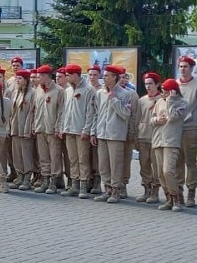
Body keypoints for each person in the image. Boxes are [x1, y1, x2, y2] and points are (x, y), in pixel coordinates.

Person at [90, 65, 132, 204]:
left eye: (107, 75)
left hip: (116, 134)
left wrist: (114, 100)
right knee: (103, 164)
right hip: (101, 133)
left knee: (116, 164)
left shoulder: (125, 94)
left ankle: (116, 191)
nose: (104, 78)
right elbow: (96, 113)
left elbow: (126, 114)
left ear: (115, 77)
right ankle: (106, 189)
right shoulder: (100, 93)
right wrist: (93, 132)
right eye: (104, 75)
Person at [59, 64, 96, 199]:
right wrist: (63, 127)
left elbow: (90, 112)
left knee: (83, 159)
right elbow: (64, 111)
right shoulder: (68, 90)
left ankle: (84, 186)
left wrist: (86, 130)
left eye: (68, 75)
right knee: (72, 159)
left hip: (81, 131)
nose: (67, 77)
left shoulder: (88, 90)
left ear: (75, 75)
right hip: (69, 130)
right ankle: (74, 185)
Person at [177, 56, 197, 207]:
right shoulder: (174, 85)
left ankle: (191, 193)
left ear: (192, 68)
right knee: (177, 162)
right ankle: (178, 193)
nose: (182, 69)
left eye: (185, 66)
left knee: (190, 163)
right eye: (181, 66)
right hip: (174, 130)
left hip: (191, 129)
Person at [152, 79, 187, 211]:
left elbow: (173, 117)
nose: (163, 93)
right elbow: (152, 119)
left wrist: (171, 100)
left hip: (171, 141)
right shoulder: (159, 101)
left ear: (173, 91)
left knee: (168, 171)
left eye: (166, 91)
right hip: (158, 140)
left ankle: (176, 198)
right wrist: (156, 120)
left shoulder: (181, 103)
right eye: (162, 90)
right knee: (160, 173)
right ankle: (168, 199)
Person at [32, 65, 65, 194]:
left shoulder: (59, 90)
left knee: (55, 156)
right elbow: (35, 110)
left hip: (52, 129)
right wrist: (35, 125)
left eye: (39, 76)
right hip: (41, 128)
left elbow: (61, 111)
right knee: (43, 157)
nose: (37, 78)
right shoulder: (38, 90)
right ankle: (44, 179)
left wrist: (58, 127)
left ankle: (54, 181)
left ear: (46, 76)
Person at [136, 73, 162, 204]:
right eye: (146, 84)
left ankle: (155, 191)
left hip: (156, 138)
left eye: (151, 83)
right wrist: (135, 135)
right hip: (143, 137)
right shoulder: (142, 100)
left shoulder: (163, 99)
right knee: (144, 164)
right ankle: (146, 189)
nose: (148, 86)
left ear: (157, 84)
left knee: (156, 165)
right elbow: (137, 119)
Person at [8, 70, 35, 191]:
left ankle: (27, 178)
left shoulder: (32, 93)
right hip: (15, 127)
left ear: (26, 80)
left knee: (26, 154)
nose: (17, 81)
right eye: (17, 79)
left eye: (20, 79)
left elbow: (32, 112)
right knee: (17, 153)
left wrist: (29, 128)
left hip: (25, 127)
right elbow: (11, 112)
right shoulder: (15, 93)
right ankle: (19, 175)